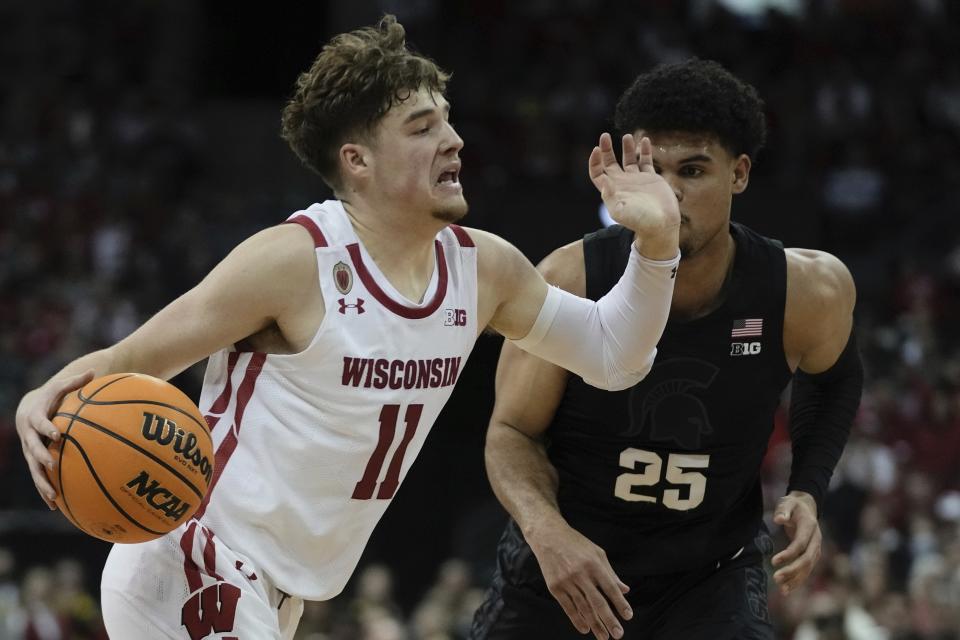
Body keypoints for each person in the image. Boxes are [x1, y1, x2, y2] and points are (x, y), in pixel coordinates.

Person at [14, 15, 682, 640]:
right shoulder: (294, 261)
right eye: (422, 127)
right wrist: (35, 401)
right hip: (195, 563)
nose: (452, 139)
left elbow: (613, 355)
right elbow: (132, 360)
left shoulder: (483, 271)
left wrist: (657, 248)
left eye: (446, 121)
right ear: (358, 161)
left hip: (277, 597)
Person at [471, 59, 864, 640]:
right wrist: (545, 531)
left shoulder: (808, 290)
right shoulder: (569, 279)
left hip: (711, 577)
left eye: (694, 169)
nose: (669, 192)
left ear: (741, 174)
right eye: (652, 169)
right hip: (570, 563)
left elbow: (833, 380)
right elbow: (510, 433)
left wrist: (807, 488)